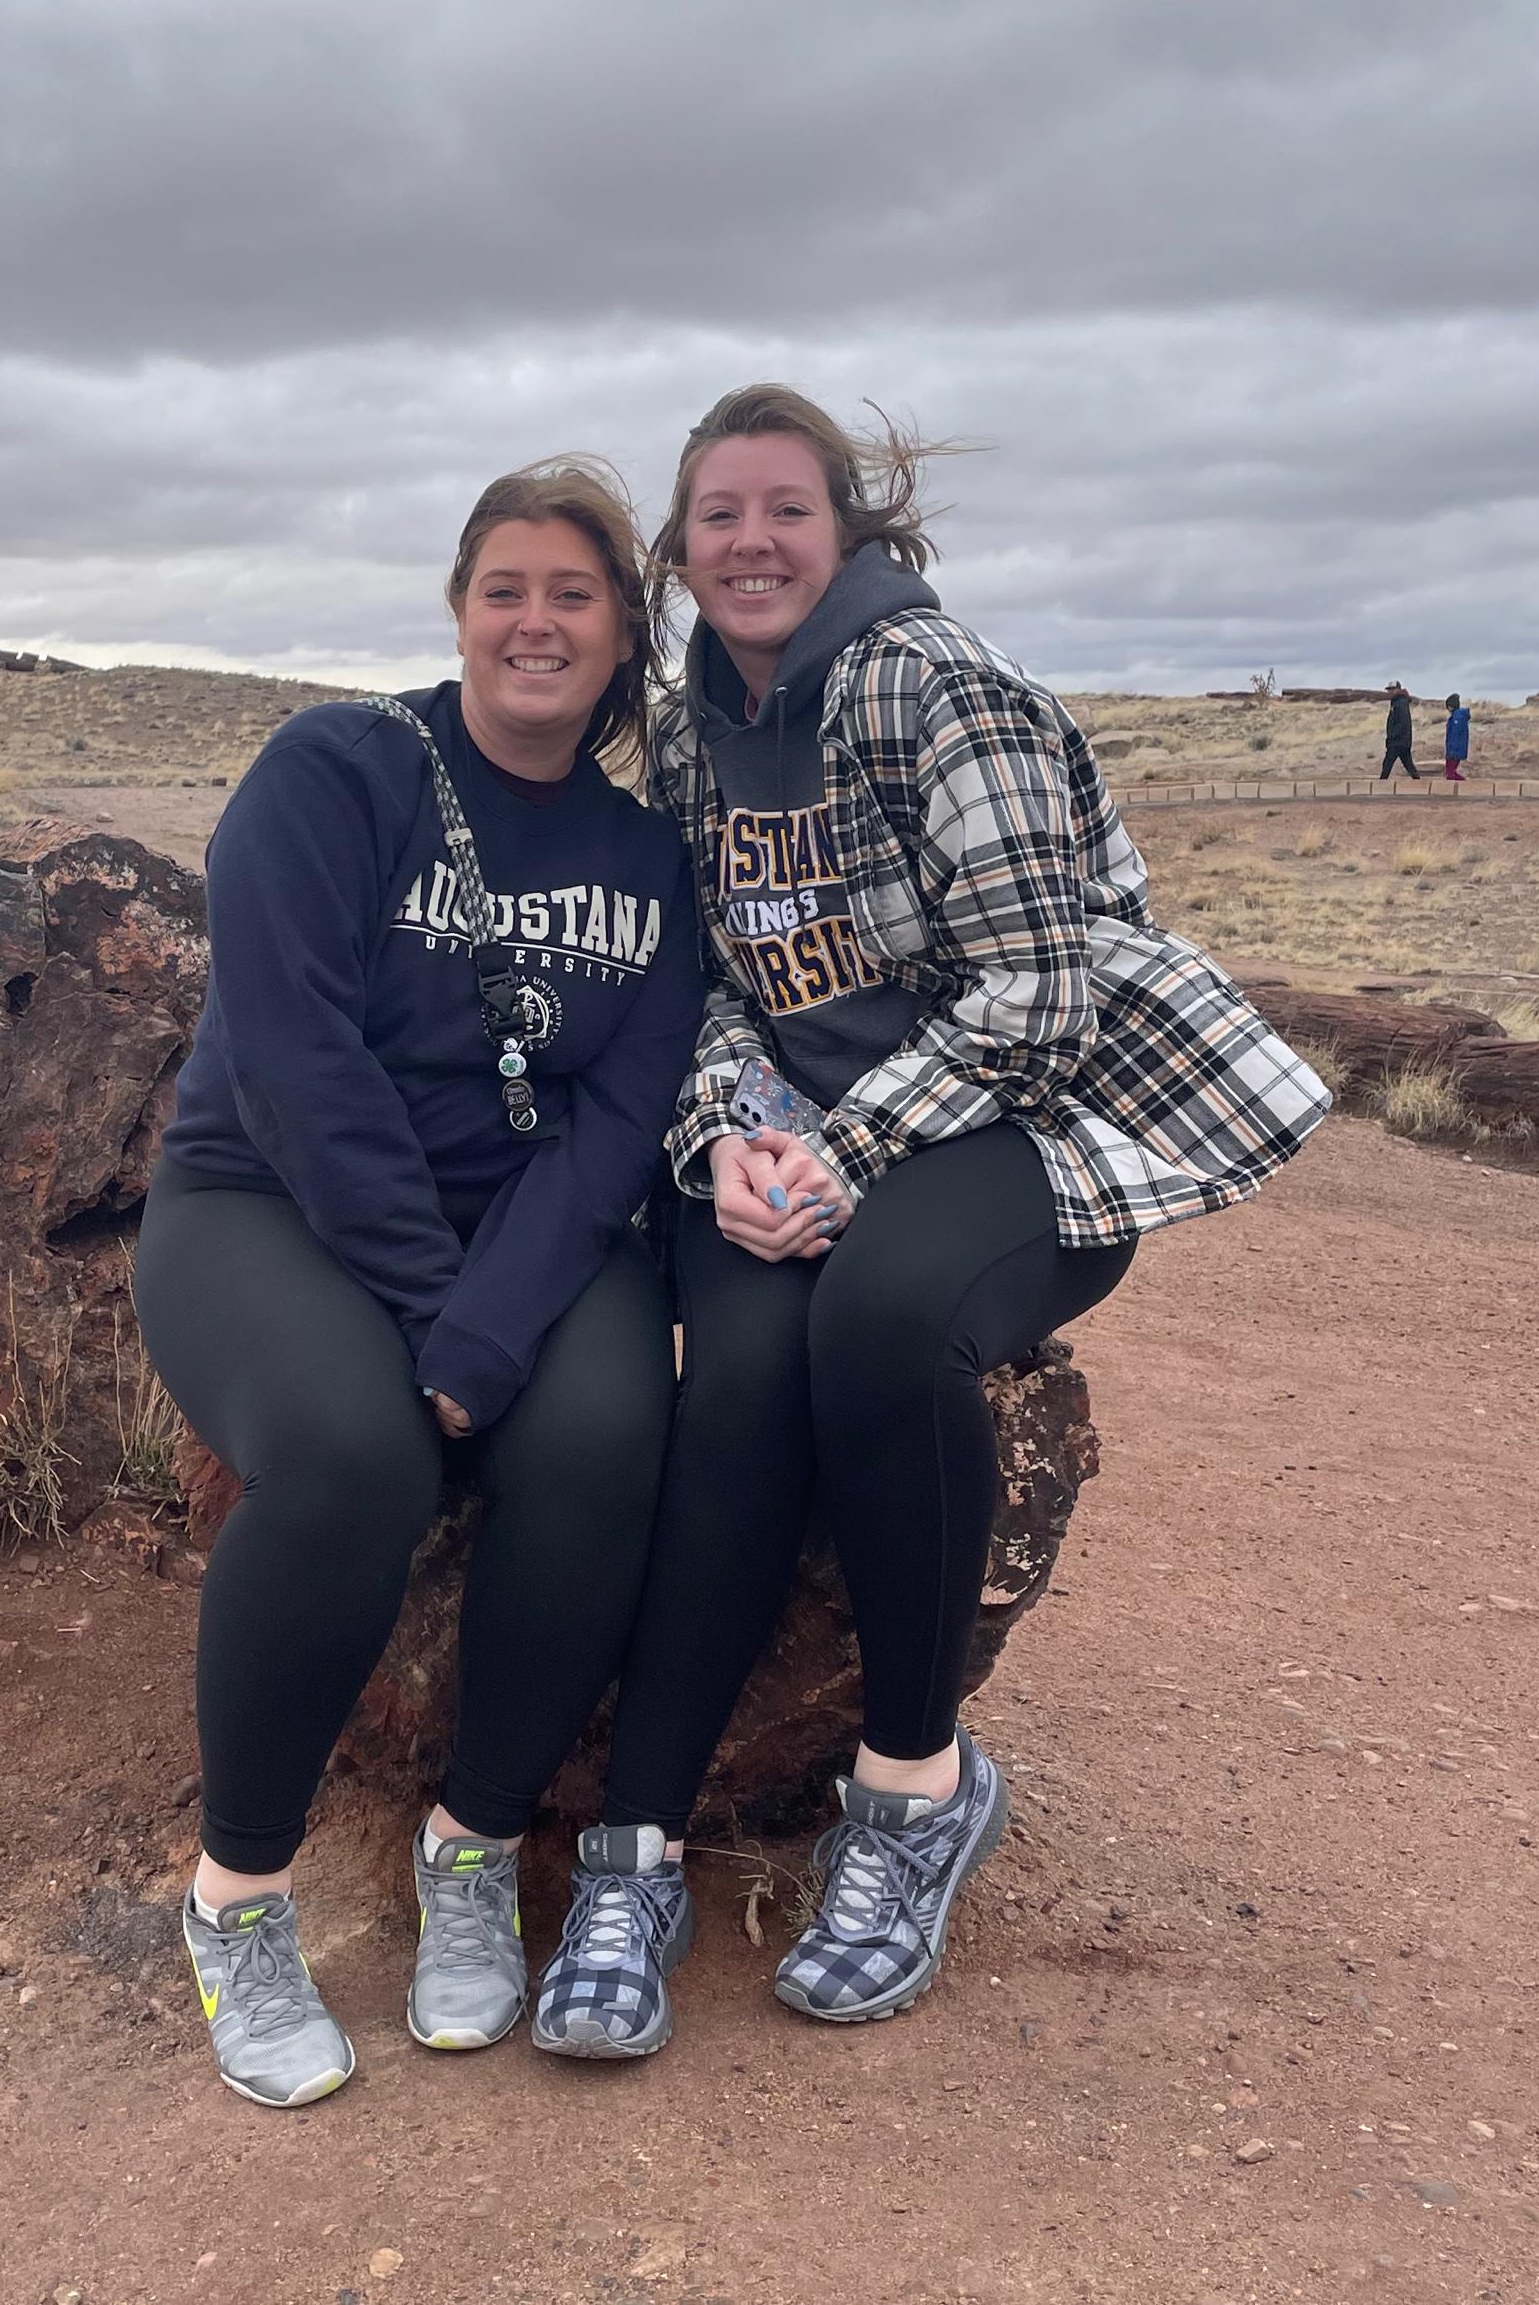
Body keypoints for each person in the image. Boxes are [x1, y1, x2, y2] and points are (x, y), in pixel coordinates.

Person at [529, 386, 1331, 2059]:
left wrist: (843, 1156)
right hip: (807, 1134)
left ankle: (913, 1795)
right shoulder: (688, 729)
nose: (753, 542)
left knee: (881, 1325)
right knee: (740, 1380)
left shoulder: (934, 687)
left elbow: (1035, 999)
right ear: (681, 549)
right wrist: (735, 1140)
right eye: (720, 515)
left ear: (849, 527)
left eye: (787, 509)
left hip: (1026, 1124)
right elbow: (706, 983)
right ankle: (634, 1854)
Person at [134, 458, 702, 2106]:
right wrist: (428, 1314)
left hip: (531, 1227)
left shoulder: (648, 860)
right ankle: (238, 1897)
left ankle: (475, 1844)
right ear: (459, 611)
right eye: (504, 589)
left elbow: (617, 1124)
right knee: (354, 1456)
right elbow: (294, 1058)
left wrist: (490, 1325)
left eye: (574, 595)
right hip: (266, 1201)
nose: (537, 622)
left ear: (622, 635)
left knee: (600, 1437)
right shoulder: (337, 771)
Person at [1380, 682, 1419, 781]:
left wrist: (1393, 736)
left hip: (1398, 741)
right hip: (1401, 740)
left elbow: (1402, 721)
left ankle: (1381, 784)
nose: (1390, 692)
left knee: (1388, 763)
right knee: (1408, 764)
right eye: (1389, 690)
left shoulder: (1401, 703)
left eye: (1392, 689)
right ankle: (1418, 782)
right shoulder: (1397, 702)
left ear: (1397, 689)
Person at [1442, 693, 1470, 783]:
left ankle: (1452, 777)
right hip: (1456, 747)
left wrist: (1451, 749)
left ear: (1450, 707)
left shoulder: (1456, 718)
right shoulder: (1458, 716)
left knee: (1451, 768)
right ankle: (1453, 775)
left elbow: (1454, 735)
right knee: (1451, 768)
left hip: (1454, 747)